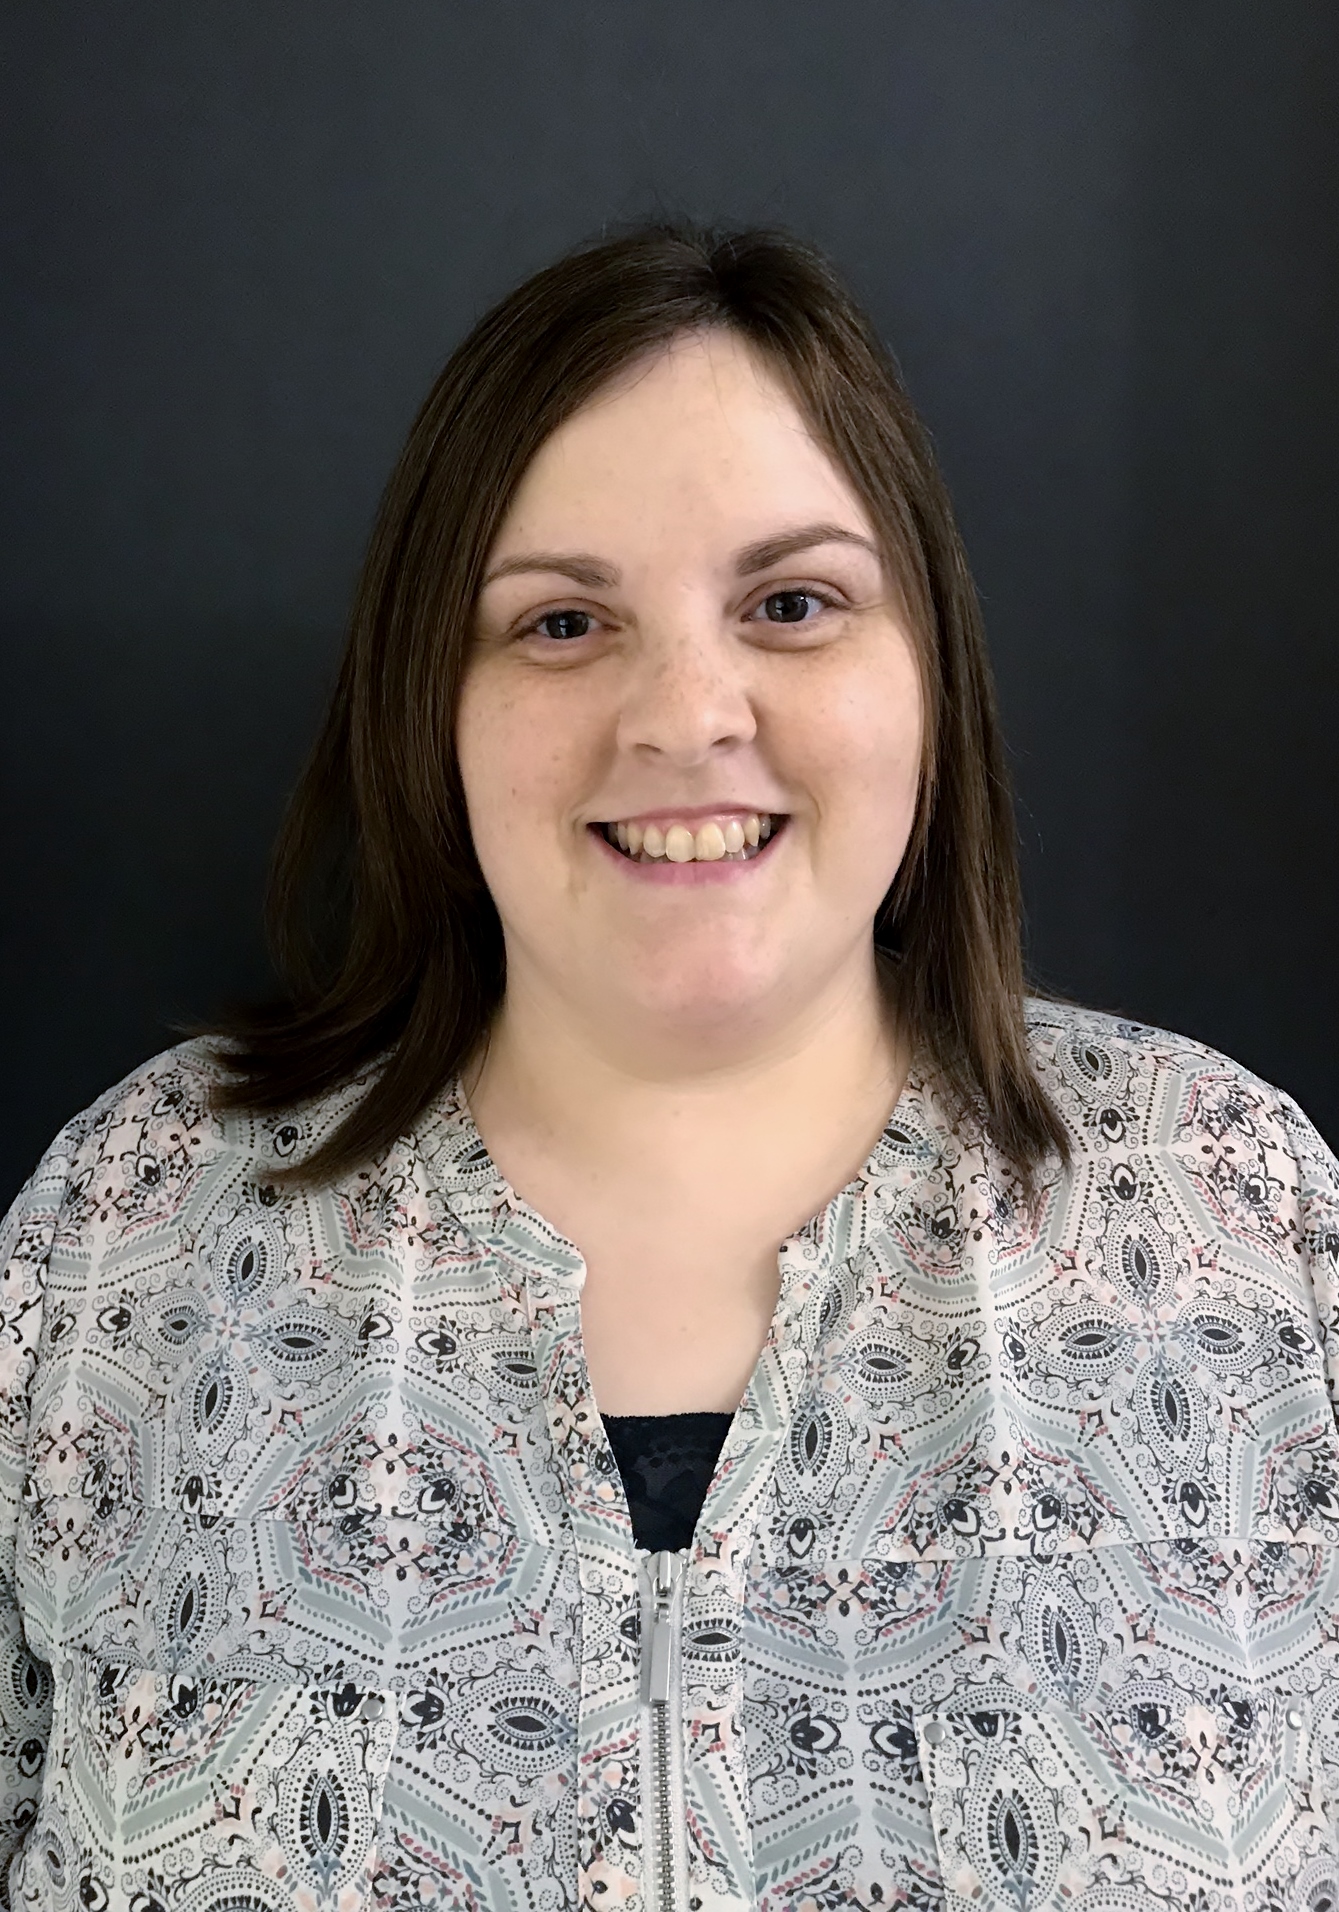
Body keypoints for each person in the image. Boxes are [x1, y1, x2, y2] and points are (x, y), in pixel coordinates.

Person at [3, 223, 1338, 1912]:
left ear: (929, 671)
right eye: (562, 623)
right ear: (431, 700)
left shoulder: (1247, 1217)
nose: (686, 712)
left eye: (792, 604)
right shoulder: (127, 1231)